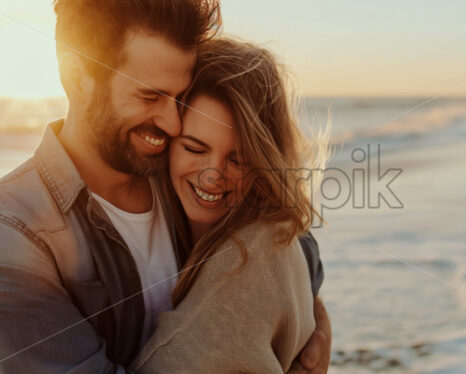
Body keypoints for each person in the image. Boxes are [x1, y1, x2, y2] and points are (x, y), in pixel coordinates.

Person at [0, 1, 331, 373]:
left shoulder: (173, 168)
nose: (172, 123)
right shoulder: (6, 234)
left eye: (180, 97)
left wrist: (314, 315)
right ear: (77, 78)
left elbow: (285, 232)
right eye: (150, 96)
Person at [129, 38, 327, 373]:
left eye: (237, 159)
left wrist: (319, 325)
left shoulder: (258, 251)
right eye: (194, 148)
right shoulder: (146, 214)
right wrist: (321, 320)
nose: (212, 176)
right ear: (169, 142)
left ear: (265, 164)